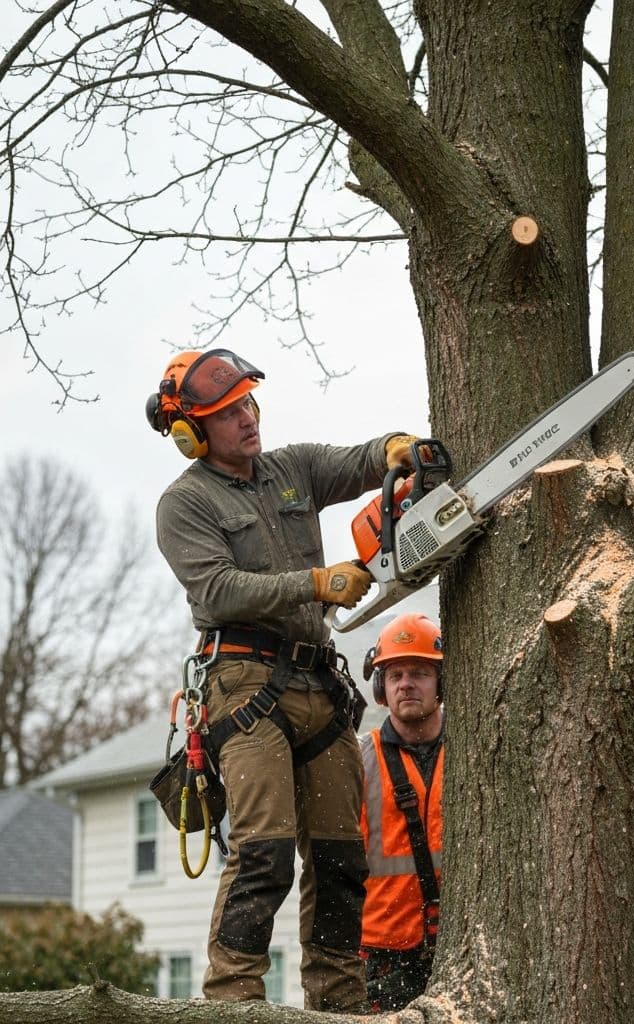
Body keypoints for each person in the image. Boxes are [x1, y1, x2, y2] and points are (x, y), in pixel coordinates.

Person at [148, 347, 422, 1012]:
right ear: (192, 431)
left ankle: (337, 1004)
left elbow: (352, 463)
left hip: (315, 683)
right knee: (264, 852)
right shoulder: (183, 503)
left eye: (248, 403)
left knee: (339, 862)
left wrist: (394, 448)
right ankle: (234, 1003)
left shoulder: (290, 469)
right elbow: (217, 585)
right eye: (228, 412)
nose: (246, 418)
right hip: (242, 685)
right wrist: (316, 582)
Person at [359, 612, 445, 1011]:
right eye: (395, 675)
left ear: (441, 682)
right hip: (383, 949)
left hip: (458, 940)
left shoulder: (475, 745)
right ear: (381, 686)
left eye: (420, 673)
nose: (406, 683)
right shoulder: (360, 760)